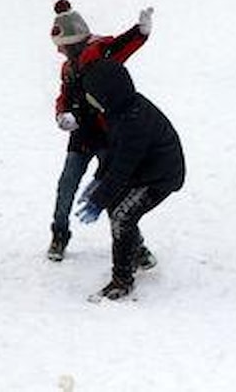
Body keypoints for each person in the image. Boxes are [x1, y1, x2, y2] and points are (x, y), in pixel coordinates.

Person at [48, 0, 153, 262]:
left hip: (108, 137)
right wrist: (61, 114)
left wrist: (139, 31)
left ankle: (135, 246)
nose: (58, 50)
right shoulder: (68, 68)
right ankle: (59, 233)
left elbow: (122, 44)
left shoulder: (101, 54)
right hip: (80, 138)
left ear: (73, 41)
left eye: (61, 45)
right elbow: (64, 96)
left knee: (114, 192)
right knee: (66, 186)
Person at [75, 58, 186, 302]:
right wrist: (98, 181)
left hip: (160, 176)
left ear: (107, 92)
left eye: (92, 94)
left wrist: (99, 199)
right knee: (116, 206)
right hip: (142, 170)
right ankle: (138, 254)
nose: (89, 99)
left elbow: (123, 167)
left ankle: (122, 281)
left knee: (122, 216)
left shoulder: (134, 120)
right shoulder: (118, 110)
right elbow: (114, 153)